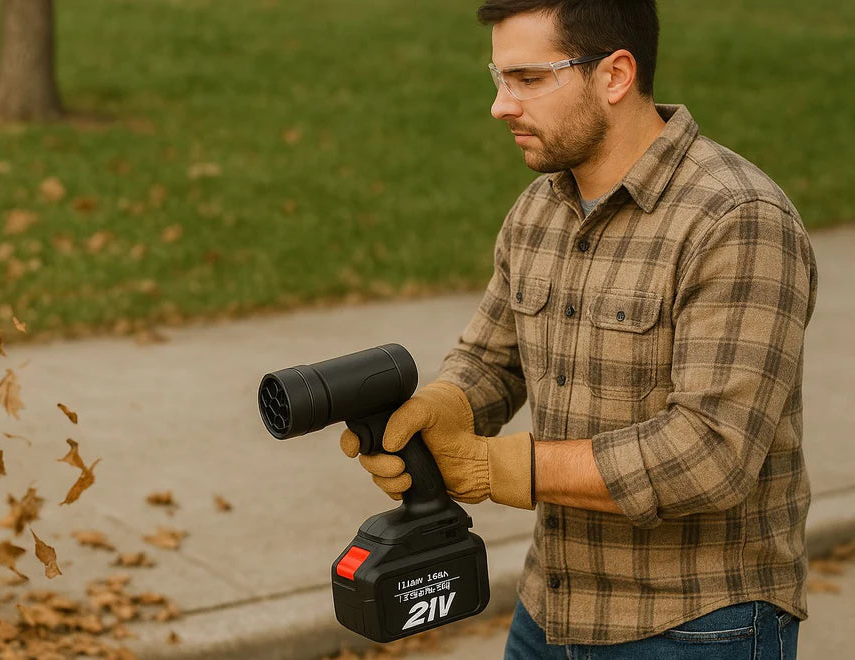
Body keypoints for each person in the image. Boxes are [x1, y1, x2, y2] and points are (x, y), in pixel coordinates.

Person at [339, 1, 818, 658]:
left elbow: (711, 453)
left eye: (528, 79)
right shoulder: (540, 209)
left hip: (700, 625)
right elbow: (490, 358)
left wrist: (492, 467)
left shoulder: (735, 218)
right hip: (550, 611)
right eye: (499, 78)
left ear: (614, 75)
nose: (500, 106)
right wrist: (440, 410)